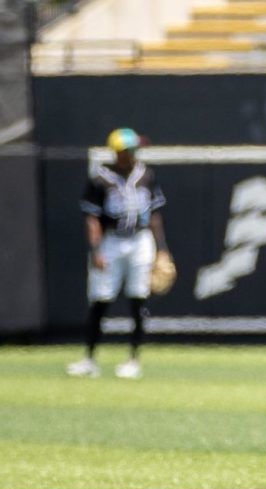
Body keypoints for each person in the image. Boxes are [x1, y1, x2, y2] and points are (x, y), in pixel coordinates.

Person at [66, 128, 169, 379]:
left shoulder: (146, 174)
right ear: (117, 152)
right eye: (128, 150)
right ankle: (89, 359)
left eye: (134, 149)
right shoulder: (100, 178)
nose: (132, 154)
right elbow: (92, 219)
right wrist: (96, 250)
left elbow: (155, 214)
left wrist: (162, 250)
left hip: (140, 240)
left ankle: (133, 360)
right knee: (100, 299)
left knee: (138, 299)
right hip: (111, 241)